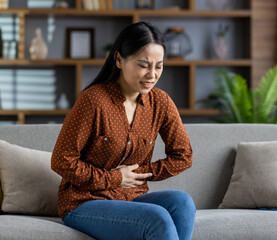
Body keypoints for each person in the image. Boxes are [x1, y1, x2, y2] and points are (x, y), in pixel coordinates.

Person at [51, 21, 195, 240]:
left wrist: (138, 174)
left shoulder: (161, 102)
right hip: (85, 202)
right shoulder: (93, 101)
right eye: (144, 64)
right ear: (119, 59)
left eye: (159, 66)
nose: (152, 74)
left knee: (182, 203)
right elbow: (62, 161)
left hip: (131, 197)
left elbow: (183, 156)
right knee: (157, 218)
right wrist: (114, 178)